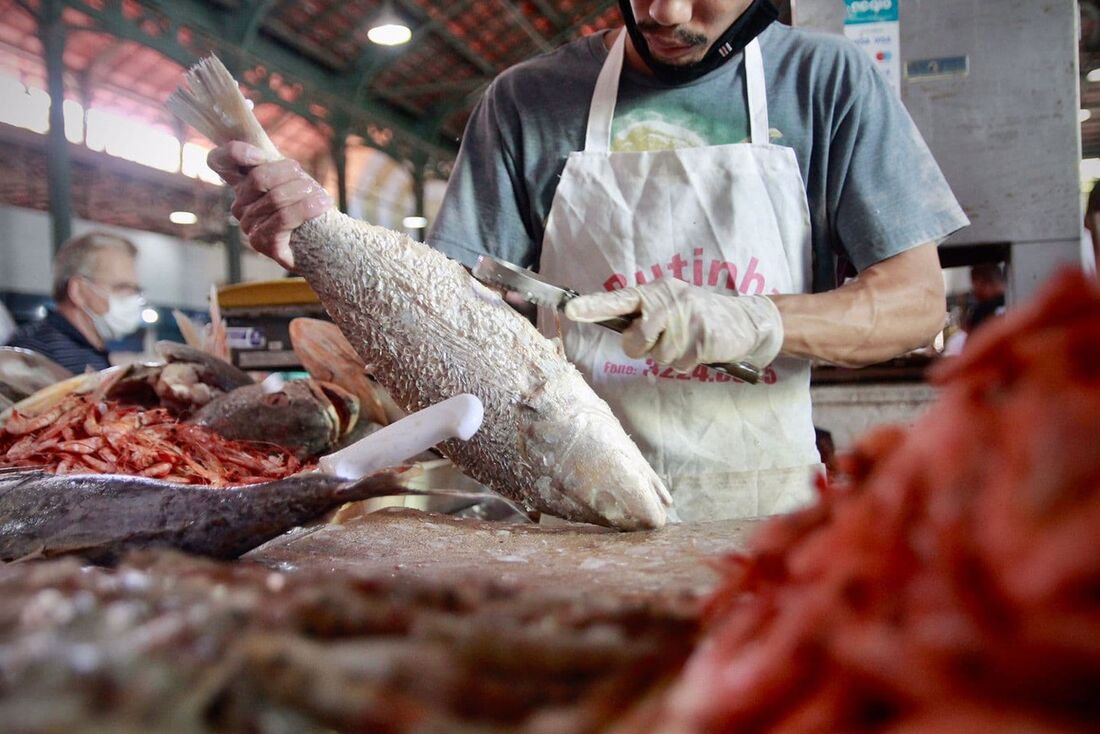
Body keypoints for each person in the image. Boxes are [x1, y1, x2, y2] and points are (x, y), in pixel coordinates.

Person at [209, 0, 968, 522]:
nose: (660, 12)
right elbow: (446, 327)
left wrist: (753, 320)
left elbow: (913, 303)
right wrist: (322, 245)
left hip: (762, 512)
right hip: (566, 512)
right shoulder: (525, 102)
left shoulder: (829, 84)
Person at [4, 231, 145, 374]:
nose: (132, 299)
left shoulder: (92, 350)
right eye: (122, 288)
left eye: (135, 290)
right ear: (78, 291)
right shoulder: (33, 355)